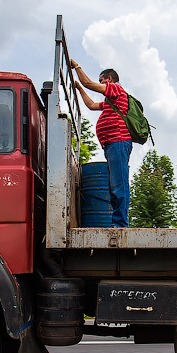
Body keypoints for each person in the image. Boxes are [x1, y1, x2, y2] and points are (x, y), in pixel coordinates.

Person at [70, 59, 131, 227]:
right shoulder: (112, 100)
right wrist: (79, 89)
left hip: (118, 142)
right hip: (112, 145)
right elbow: (91, 105)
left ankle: (120, 224)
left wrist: (77, 67)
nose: (100, 84)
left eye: (102, 81)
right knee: (114, 186)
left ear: (109, 79)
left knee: (119, 185)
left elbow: (88, 82)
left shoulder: (116, 89)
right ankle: (118, 222)